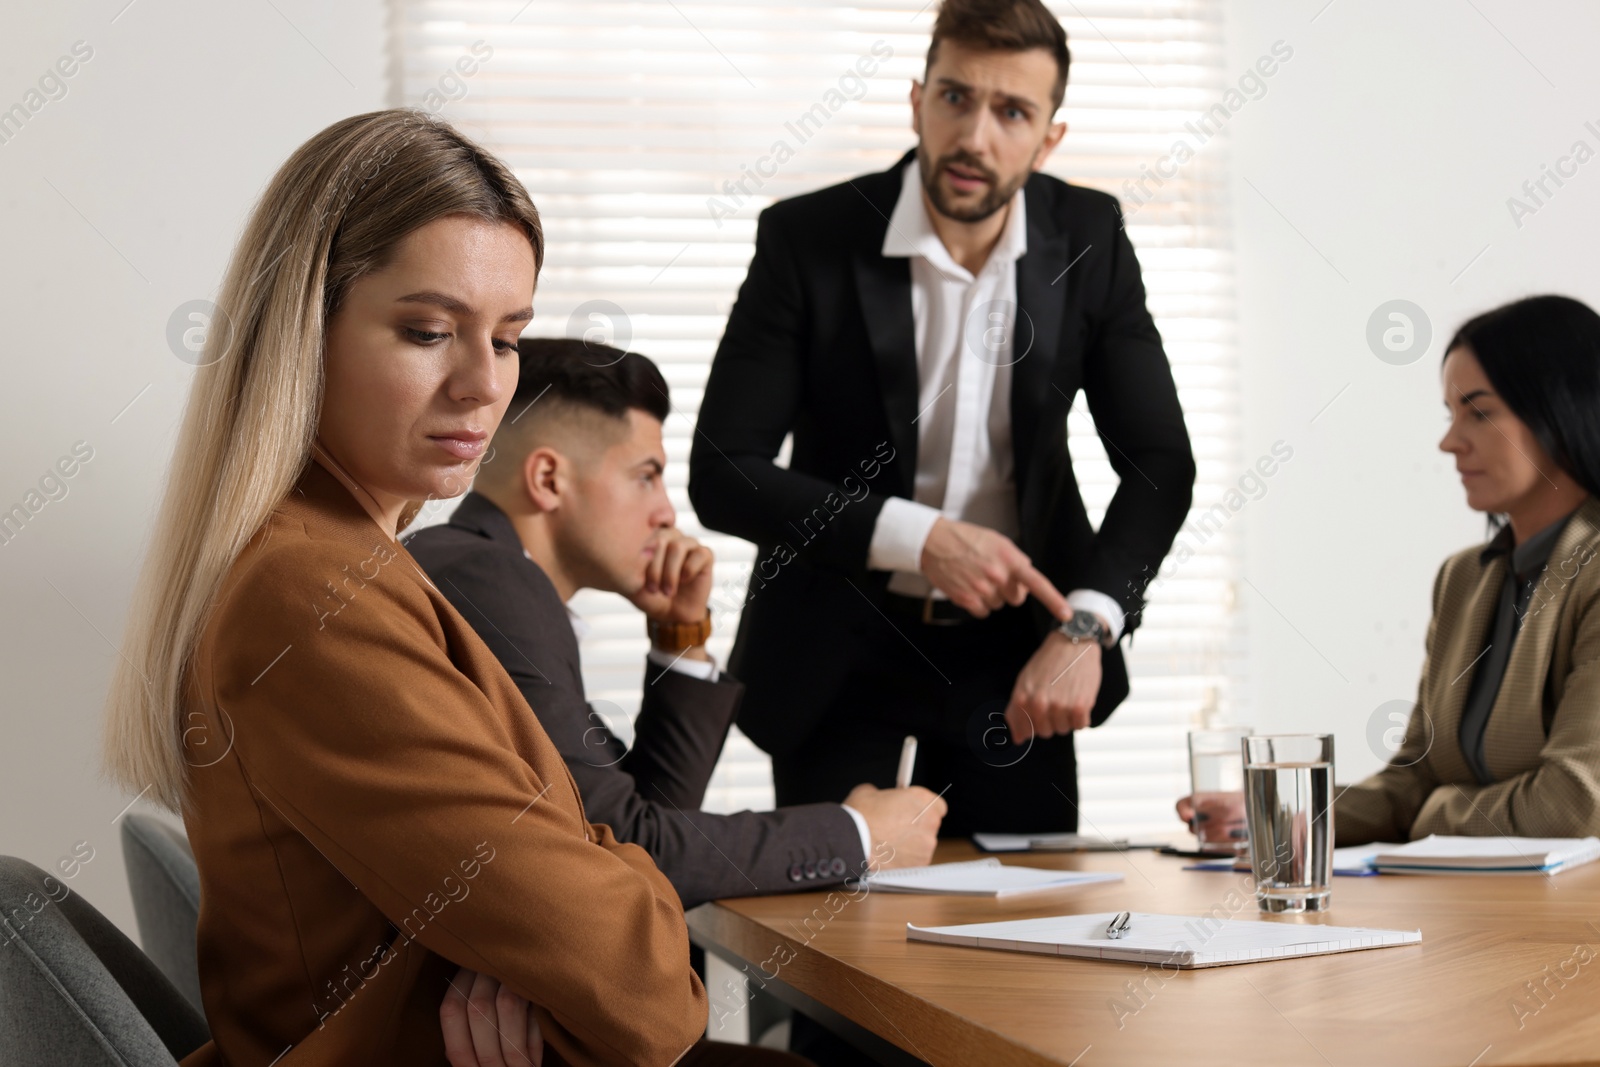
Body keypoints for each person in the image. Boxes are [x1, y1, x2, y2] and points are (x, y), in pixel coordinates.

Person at [101, 108, 806, 1067]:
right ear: (303, 331)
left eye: (508, 337)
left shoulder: (344, 560)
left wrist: (585, 892)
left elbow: (592, 862)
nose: (483, 384)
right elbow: (641, 985)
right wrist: (607, 894)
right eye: (430, 330)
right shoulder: (314, 595)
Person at [688, 0, 1196, 840]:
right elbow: (725, 471)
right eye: (956, 99)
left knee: (1033, 946)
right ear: (917, 99)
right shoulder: (805, 238)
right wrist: (918, 536)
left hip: (1020, 657)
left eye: (1012, 113)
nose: (976, 138)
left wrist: (1088, 623)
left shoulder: (1090, 237)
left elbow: (1158, 460)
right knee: (827, 953)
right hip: (837, 650)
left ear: (1049, 138)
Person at [404, 337, 946, 910]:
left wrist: (681, 638)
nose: (666, 512)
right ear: (547, 480)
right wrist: (860, 835)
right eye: (646, 476)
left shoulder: (481, 569)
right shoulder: (490, 579)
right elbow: (623, 851)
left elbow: (638, 823)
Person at [1178, 295, 1600, 846]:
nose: (1450, 441)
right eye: (1451, 414)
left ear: (1559, 409)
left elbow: (1574, 805)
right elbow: (1415, 778)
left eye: (1479, 411)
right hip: (1468, 906)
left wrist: (1435, 817)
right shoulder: (1465, 579)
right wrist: (1285, 818)